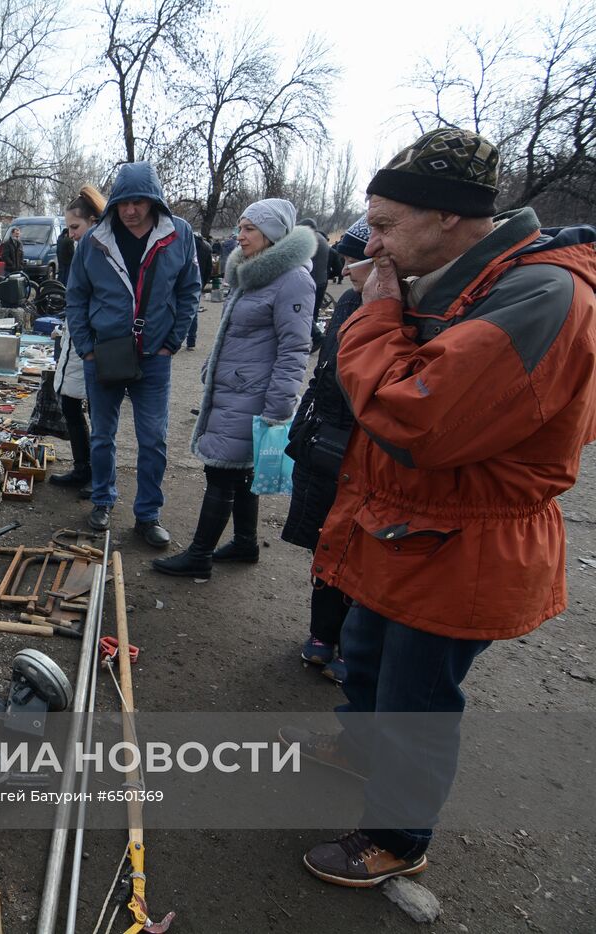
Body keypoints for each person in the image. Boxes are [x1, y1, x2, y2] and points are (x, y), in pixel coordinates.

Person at [293, 127, 596, 888]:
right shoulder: (451, 275)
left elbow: (415, 414)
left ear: (452, 220)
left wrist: (370, 311)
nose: (374, 242)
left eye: (388, 225)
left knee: (417, 698)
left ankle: (397, 835)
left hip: (466, 542)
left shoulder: (541, 293)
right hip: (403, 523)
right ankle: (360, 751)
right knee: (363, 655)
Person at [152, 198, 313, 577]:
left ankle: (199, 557)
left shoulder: (292, 279)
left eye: (249, 229)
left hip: (253, 394)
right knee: (239, 471)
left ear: (273, 234)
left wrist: (279, 405)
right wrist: (213, 364)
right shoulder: (255, 272)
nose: (239, 237)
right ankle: (245, 544)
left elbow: (295, 348)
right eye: (240, 228)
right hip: (235, 389)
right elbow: (236, 333)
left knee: (221, 473)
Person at [64, 162, 200, 545]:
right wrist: (86, 348)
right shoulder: (95, 240)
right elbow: (76, 297)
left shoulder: (178, 235)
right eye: (124, 202)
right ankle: (103, 500)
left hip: (154, 356)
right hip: (104, 354)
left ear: (154, 201)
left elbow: (190, 289)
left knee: (153, 438)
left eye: (139, 201)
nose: (130, 210)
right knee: (103, 435)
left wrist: (173, 340)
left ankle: (147, 515)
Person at [281, 215, 370, 684]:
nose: (349, 269)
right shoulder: (352, 300)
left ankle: (354, 646)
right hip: (328, 438)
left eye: (358, 260)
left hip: (369, 446)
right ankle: (322, 632)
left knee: (365, 548)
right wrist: (306, 423)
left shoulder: (406, 309)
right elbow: (326, 369)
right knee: (327, 535)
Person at [49, 184, 107, 493]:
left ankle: (99, 477)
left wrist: (87, 346)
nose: (71, 233)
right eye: (69, 227)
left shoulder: (103, 252)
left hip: (95, 348)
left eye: (75, 226)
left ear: (93, 222)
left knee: (100, 416)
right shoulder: (84, 250)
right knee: (70, 406)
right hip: (77, 344)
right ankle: (82, 468)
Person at [298, 218, 332, 319]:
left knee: (307, 313)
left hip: (312, 280)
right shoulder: (322, 239)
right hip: (322, 279)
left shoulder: (309, 239)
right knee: (314, 312)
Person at [189, 232, 213, 349]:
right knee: (193, 313)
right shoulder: (207, 247)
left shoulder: (186, 244)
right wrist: (203, 283)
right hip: (199, 282)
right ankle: (191, 342)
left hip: (184, 282)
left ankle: (175, 340)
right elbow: (209, 268)